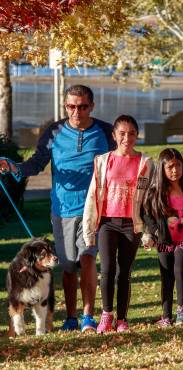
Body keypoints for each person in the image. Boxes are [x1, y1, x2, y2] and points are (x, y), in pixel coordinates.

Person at [0, 85, 114, 332]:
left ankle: (87, 317)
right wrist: (14, 168)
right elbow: (37, 162)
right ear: (65, 106)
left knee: (87, 258)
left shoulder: (106, 131)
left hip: (93, 208)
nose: (76, 112)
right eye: (71, 106)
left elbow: (119, 163)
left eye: (82, 106)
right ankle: (71, 317)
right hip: (62, 208)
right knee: (68, 265)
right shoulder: (54, 131)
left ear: (91, 106)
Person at [83, 114, 154, 333]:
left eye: (132, 133)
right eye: (122, 133)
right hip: (107, 223)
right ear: (114, 135)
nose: (127, 138)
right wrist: (89, 230)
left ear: (137, 136)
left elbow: (150, 201)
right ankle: (106, 315)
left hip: (131, 225)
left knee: (124, 271)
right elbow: (92, 196)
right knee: (107, 269)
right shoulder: (103, 161)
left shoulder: (146, 163)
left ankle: (122, 319)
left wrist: (149, 232)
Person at [142, 148, 183, 327]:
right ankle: (166, 316)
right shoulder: (155, 192)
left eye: (178, 165)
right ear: (162, 169)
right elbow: (146, 215)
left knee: (179, 270)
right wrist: (157, 231)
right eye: (170, 167)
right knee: (166, 275)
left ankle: (182, 311)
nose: (175, 170)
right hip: (164, 240)